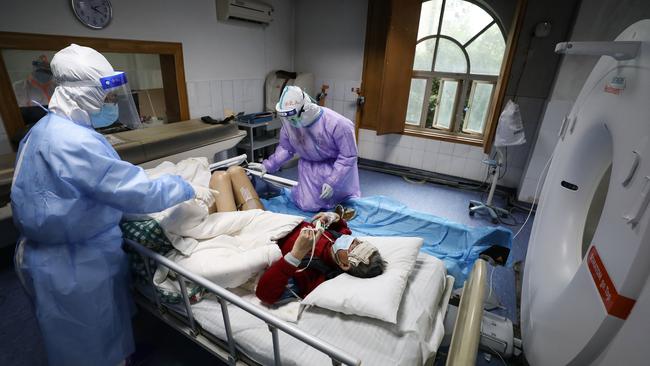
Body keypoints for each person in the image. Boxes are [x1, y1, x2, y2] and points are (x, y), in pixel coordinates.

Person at [10, 44, 217, 366]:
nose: (109, 102)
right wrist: (184, 186)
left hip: (63, 249)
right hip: (71, 262)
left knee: (105, 323)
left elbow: (97, 186)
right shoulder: (73, 141)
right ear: (81, 93)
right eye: (103, 94)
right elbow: (133, 190)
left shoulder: (47, 129)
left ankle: (120, 355)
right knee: (86, 340)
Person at [248, 85, 361, 211]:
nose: (291, 121)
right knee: (308, 206)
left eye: (292, 117)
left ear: (305, 108)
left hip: (336, 169)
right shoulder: (289, 124)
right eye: (287, 118)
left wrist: (333, 181)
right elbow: (286, 149)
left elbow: (348, 156)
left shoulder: (339, 124)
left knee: (343, 206)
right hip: (309, 168)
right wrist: (268, 165)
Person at [256, 211, 386, 305]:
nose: (353, 241)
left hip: (261, 233)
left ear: (345, 265)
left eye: (354, 248)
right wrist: (333, 217)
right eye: (359, 242)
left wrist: (296, 255)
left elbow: (264, 294)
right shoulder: (338, 238)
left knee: (238, 173)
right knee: (237, 173)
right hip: (280, 220)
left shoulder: (312, 274)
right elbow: (342, 227)